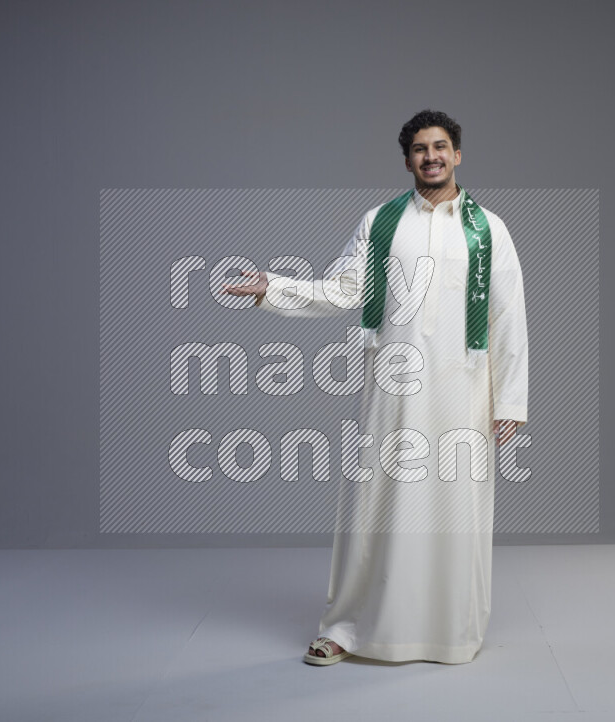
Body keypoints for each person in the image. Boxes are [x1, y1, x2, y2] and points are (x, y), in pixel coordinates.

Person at [222, 110, 528, 665]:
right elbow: (341, 290)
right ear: (408, 159)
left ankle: (448, 630)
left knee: (453, 509)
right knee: (375, 505)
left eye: (440, 147)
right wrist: (276, 286)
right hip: (392, 386)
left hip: (463, 389)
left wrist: (509, 399)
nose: (430, 156)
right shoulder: (381, 222)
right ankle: (347, 627)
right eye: (418, 149)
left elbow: (509, 317)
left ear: (457, 154)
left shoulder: (490, 230)